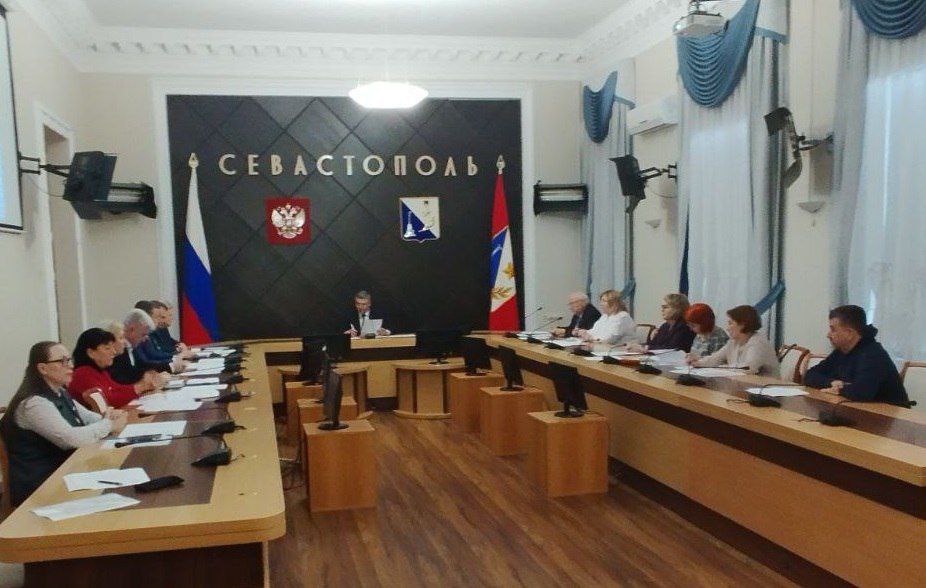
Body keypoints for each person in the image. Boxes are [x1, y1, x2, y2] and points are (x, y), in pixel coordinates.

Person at [0, 341, 127, 507]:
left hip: (66, 474)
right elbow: (71, 439)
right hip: (41, 488)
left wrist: (111, 417)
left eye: (69, 360)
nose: (70, 366)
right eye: (62, 361)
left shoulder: (59, 392)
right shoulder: (33, 403)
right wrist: (109, 425)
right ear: (42, 368)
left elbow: (89, 418)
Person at [804, 305, 909, 406]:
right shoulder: (841, 351)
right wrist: (832, 382)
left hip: (888, 414)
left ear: (849, 333)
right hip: (857, 408)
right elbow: (809, 375)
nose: (828, 335)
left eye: (833, 330)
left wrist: (839, 388)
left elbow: (861, 392)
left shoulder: (873, 354)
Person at [68, 328, 157, 409]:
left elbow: (116, 388)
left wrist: (143, 386)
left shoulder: (99, 370)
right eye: (107, 348)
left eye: (113, 347)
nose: (114, 352)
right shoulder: (82, 374)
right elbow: (107, 401)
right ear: (91, 353)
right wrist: (140, 388)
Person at [691, 305, 780, 377]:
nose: (727, 328)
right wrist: (698, 362)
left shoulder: (758, 342)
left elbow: (748, 368)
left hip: (765, 389)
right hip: (743, 385)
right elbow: (715, 358)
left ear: (742, 324)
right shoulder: (733, 342)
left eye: (730, 323)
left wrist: (722, 367)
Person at [101, 319, 168, 388]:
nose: (125, 342)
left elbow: (132, 372)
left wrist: (150, 375)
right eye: (121, 338)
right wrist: (145, 381)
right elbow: (121, 383)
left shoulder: (122, 353)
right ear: (110, 342)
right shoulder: (106, 363)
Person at [123, 309, 185, 374]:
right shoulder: (121, 350)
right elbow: (144, 363)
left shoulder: (132, 345)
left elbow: (142, 365)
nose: (145, 339)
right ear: (132, 329)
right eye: (143, 335)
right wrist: (172, 364)